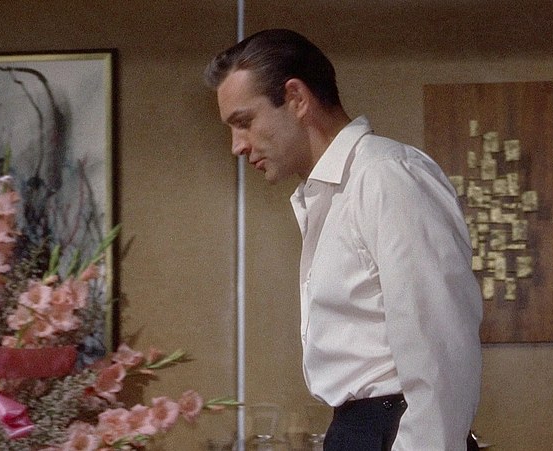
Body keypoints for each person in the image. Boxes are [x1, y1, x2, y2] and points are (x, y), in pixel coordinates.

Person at [205, 29, 483, 450]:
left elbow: (441, 359)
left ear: (297, 99)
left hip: (393, 430)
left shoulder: (386, 176)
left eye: (244, 122)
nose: (236, 146)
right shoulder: (327, 196)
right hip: (357, 430)